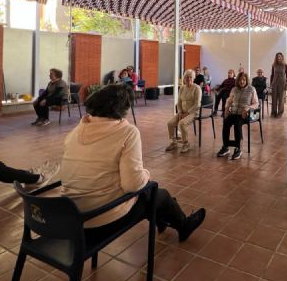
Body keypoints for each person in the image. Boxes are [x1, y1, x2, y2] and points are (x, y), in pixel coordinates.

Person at [59, 84, 206, 240]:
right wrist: (146, 174)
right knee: (158, 193)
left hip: (72, 215)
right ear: (122, 109)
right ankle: (184, 225)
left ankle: (162, 218)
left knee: (150, 193)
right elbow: (133, 185)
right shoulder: (127, 132)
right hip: (102, 218)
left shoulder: (75, 132)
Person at [216, 72, 258, 160]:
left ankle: (238, 148)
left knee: (237, 124)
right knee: (226, 122)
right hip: (234, 112)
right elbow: (229, 100)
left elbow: (256, 103)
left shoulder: (251, 89)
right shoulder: (234, 89)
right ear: (237, 81)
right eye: (240, 80)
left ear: (246, 80)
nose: (242, 82)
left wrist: (248, 108)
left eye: (244, 80)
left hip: (245, 114)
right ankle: (225, 146)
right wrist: (226, 108)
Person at [165, 70, 202, 154]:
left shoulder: (197, 88)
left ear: (193, 78)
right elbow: (179, 102)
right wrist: (180, 112)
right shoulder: (182, 88)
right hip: (182, 112)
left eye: (190, 77)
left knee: (182, 123)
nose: (188, 79)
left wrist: (187, 113)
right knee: (170, 123)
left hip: (193, 112)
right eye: (186, 77)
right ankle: (174, 142)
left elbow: (197, 104)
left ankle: (186, 143)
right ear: (184, 78)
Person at [270, 52, 287, 117]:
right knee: (274, 98)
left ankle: (280, 113)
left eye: (280, 56)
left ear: (282, 57)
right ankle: (273, 112)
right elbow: (272, 75)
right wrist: (271, 83)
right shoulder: (274, 65)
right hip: (274, 83)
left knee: (281, 99)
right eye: (277, 56)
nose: (279, 58)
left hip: (282, 83)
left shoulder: (285, 65)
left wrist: (286, 84)